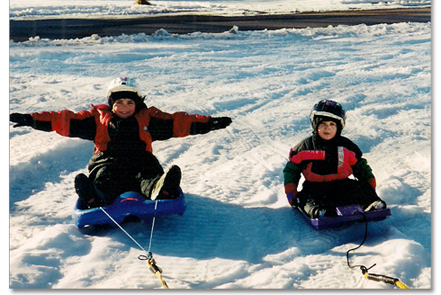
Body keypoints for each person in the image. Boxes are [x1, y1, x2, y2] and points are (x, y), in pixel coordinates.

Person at [10, 77, 232, 208]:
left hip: (140, 159)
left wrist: (209, 123)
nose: (124, 107)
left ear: (138, 104)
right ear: (111, 104)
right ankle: (94, 196)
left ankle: (160, 189)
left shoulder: (148, 118)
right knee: (104, 176)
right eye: (119, 103)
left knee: (148, 172)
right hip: (107, 160)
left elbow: (179, 123)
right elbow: (63, 120)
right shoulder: (96, 119)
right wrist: (31, 119)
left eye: (129, 102)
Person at [283, 99, 386, 219]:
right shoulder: (304, 148)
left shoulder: (347, 147)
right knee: (306, 197)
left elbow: (360, 167)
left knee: (359, 188)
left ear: (339, 128)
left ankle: (372, 204)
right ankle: (319, 212)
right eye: (323, 124)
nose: (328, 128)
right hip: (315, 187)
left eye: (332, 124)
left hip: (342, 185)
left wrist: (370, 187)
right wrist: (292, 193)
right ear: (315, 125)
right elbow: (291, 170)